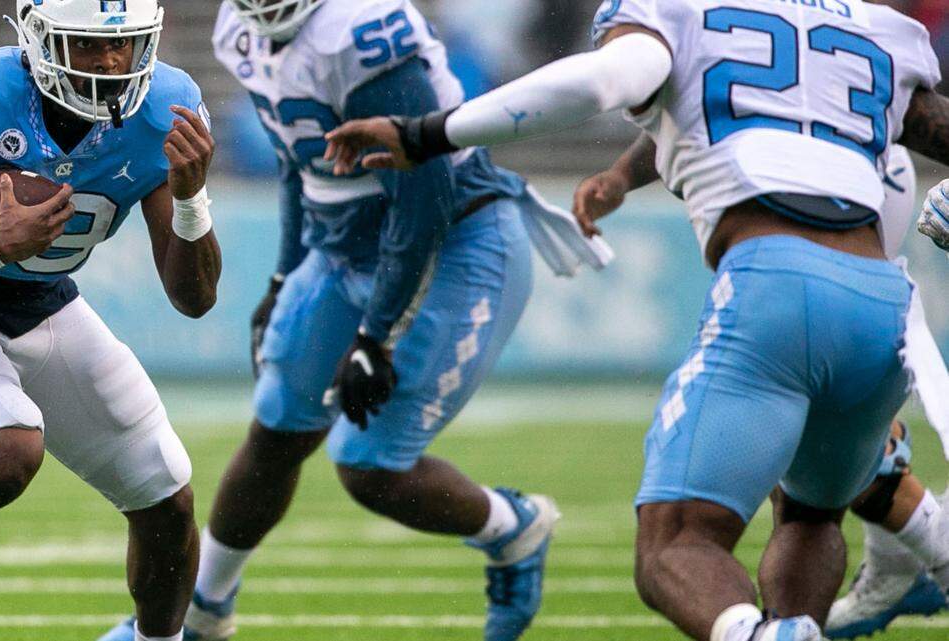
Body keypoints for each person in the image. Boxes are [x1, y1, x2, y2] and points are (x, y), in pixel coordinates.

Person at [325, 0, 949, 638]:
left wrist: (425, 133)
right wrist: (624, 175)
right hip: (883, 302)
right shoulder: (861, 23)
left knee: (675, 544)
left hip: (777, 284)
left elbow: (603, 80)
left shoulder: (679, 9)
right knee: (812, 515)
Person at [100, 0, 619, 640]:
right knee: (275, 434)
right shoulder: (238, 28)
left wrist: (377, 334)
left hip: (454, 241)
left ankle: (512, 528)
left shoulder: (361, 30)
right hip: (343, 249)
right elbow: (297, 162)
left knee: (370, 464)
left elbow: (424, 196)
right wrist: (285, 275)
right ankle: (202, 615)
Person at [0, 2, 221, 641]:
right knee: (8, 454)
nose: (110, 62)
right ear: (39, 38)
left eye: (125, 46)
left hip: (44, 303)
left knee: (167, 497)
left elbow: (194, 298)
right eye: (86, 45)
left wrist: (191, 201)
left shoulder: (166, 109)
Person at [574, 134, 949, 638]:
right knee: (813, 489)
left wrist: (439, 131)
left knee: (681, 533)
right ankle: (902, 559)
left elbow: (643, 75)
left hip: (803, 219)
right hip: (864, 203)